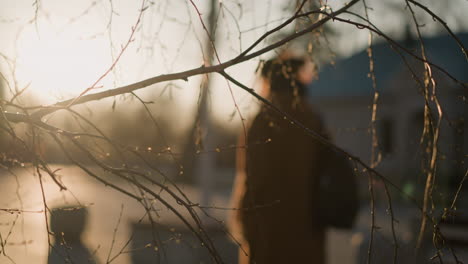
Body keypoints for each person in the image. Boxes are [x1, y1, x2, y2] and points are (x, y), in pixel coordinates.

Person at [229, 54, 331, 264]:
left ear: (269, 82)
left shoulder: (264, 122)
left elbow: (253, 179)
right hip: (308, 230)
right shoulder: (313, 121)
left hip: (268, 229)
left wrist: (243, 222)